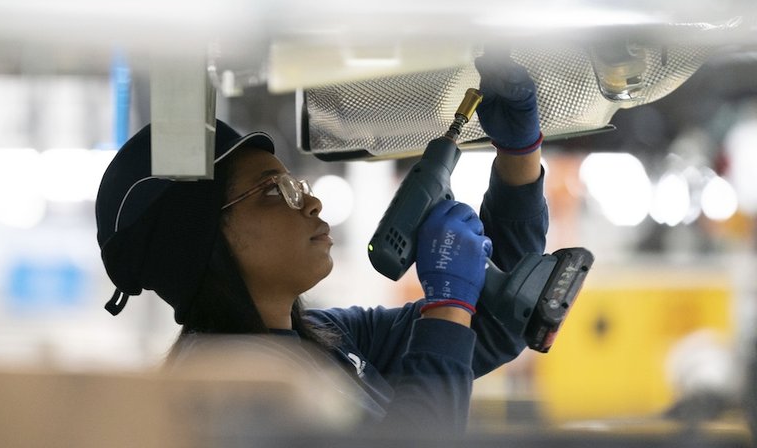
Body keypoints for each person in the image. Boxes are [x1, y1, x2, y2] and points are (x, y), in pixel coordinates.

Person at [95, 55, 547, 434]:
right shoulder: (223, 388)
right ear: (203, 240)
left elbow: (496, 318)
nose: (310, 202)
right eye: (275, 191)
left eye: (296, 183)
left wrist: (519, 154)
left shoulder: (324, 340)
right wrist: (448, 301)